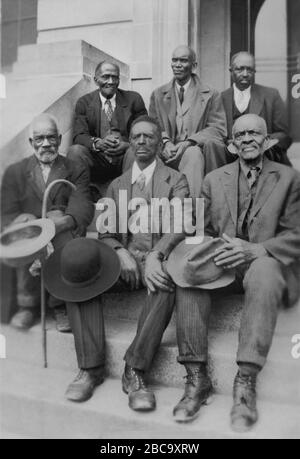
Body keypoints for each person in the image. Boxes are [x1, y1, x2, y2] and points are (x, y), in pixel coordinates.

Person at [44, 116, 189, 405]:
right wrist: (120, 252)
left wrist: (155, 257)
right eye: (136, 137)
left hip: (156, 262)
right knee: (79, 268)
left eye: (149, 136)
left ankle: (134, 369)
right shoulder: (117, 185)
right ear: (130, 143)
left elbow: (182, 224)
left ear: (160, 142)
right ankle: (90, 367)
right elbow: (107, 233)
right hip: (124, 265)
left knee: (166, 278)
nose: (142, 142)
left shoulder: (176, 179)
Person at [169, 114, 300, 431]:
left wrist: (258, 249)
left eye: (255, 133)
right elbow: (202, 228)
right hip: (226, 260)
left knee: (265, 271)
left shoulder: (289, 178)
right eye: (240, 135)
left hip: (266, 261)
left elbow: (296, 233)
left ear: (267, 140)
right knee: (188, 273)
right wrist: (188, 250)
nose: (247, 139)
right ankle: (196, 376)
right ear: (231, 144)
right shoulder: (215, 179)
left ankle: (245, 380)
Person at [0, 114, 94, 331]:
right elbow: (5, 213)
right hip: (30, 233)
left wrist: (56, 225)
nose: (45, 144)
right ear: (31, 143)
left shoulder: (75, 168)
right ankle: (27, 305)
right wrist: (25, 222)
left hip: (61, 230)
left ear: (60, 140)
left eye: (51, 138)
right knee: (24, 235)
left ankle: (59, 304)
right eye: (39, 139)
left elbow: (82, 205)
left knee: (63, 234)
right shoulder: (16, 172)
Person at [147, 45, 228, 198]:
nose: (177, 65)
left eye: (183, 61)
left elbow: (218, 129)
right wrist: (165, 142)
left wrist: (190, 142)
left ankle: (189, 213)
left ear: (194, 65)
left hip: (193, 151)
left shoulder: (211, 94)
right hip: (165, 150)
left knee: (193, 155)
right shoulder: (158, 94)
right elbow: (152, 126)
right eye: (174, 60)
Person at [68, 61, 147, 191]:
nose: (110, 81)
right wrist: (97, 143)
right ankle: (81, 197)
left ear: (119, 79)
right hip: (98, 159)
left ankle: (133, 197)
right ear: (95, 80)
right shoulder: (84, 102)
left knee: (136, 150)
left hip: (125, 158)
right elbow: (79, 136)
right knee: (75, 151)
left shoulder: (134, 99)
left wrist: (127, 145)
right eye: (105, 77)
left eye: (115, 77)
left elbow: (145, 132)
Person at [221, 51, 292, 165]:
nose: (245, 74)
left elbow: (284, 135)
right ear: (231, 71)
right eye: (240, 69)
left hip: (265, 159)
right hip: (229, 161)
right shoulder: (220, 99)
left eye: (249, 69)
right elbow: (217, 135)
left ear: (254, 72)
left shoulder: (271, 95)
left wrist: (260, 142)